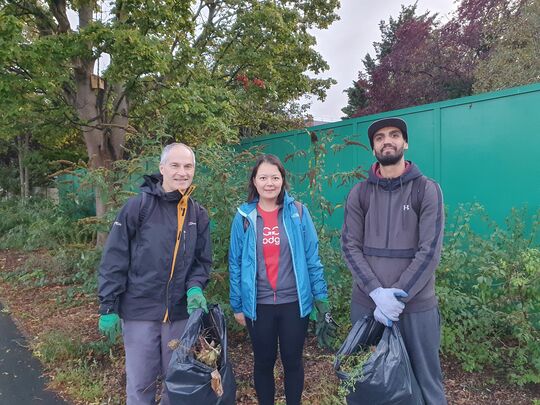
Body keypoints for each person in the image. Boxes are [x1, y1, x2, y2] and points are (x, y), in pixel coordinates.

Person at [341, 117, 447, 404]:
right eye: (379, 137)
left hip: (416, 307)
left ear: (405, 143)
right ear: (372, 147)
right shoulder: (359, 193)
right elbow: (350, 246)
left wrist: (397, 298)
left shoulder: (426, 190)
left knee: (426, 383)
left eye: (394, 135)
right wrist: (376, 293)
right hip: (367, 306)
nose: (387, 140)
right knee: (365, 381)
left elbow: (429, 251)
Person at [97, 143, 212, 405]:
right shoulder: (138, 207)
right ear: (162, 169)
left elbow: (201, 261)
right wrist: (108, 305)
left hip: (180, 315)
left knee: (177, 385)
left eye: (188, 166)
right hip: (139, 312)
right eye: (175, 165)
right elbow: (115, 258)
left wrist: (195, 287)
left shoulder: (198, 214)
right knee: (140, 386)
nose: (182, 172)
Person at [229, 154, 336, 405]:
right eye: (263, 177)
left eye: (275, 177)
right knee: (264, 362)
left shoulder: (298, 212)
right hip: (259, 305)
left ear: (283, 180)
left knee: (293, 361)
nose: (269, 183)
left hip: (293, 304)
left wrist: (321, 297)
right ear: (254, 181)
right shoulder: (243, 218)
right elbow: (234, 262)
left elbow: (312, 256)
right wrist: (237, 305)